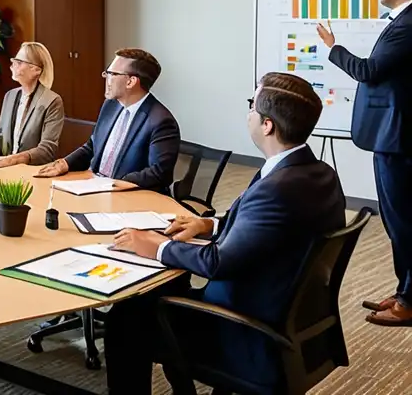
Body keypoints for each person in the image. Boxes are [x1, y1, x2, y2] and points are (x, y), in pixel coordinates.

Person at [103, 72, 347, 394]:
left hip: (244, 327)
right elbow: (274, 228)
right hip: (288, 315)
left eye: (251, 105)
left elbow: (217, 263)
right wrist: (211, 224)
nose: (248, 112)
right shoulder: (316, 173)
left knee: (125, 319)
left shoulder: (276, 188)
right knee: (150, 301)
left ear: (267, 125)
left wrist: (155, 245)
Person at [317, 0, 412, 327]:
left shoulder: (408, 24)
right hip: (392, 137)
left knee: (404, 222)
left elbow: (369, 71)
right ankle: (406, 289)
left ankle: (409, 299)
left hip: (399, 140)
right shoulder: (401, 21)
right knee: (396, 220)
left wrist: (332, 48)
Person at [34, 48, 180, 193]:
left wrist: (114, 183)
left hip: (130, 198)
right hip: (96, 187)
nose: (105, 77)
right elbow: (93, 145)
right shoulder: (111, 105)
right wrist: (65, 164)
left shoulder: (161, 121)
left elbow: (160, 173)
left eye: (111, 73)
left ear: (131, 81)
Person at [0, 42, 64, 167]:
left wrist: (16, 159)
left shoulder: (52, 101)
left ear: (36, 70)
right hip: (7, 170)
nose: (12, 65)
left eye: (19, 62)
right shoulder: (10, 96)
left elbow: (47, 150)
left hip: (33, 173)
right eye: (14, 61)